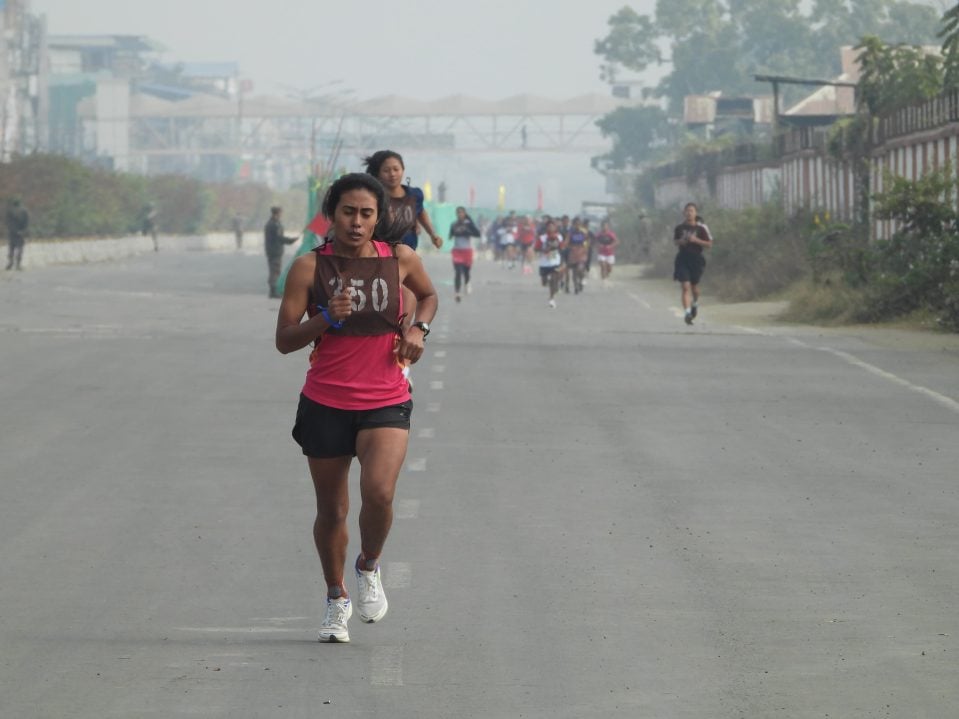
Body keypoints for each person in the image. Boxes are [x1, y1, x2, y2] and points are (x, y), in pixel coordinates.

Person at [275, 172, 438, 643]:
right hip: (326, 401)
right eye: (348, 211)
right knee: (332, 509)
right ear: (333, 213)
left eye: (367, 213)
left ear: (378, 217)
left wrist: (418, 330)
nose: (357, 222)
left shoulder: (399, 258)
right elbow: (284, 340)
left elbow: (428, 296)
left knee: (379, 492)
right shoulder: (309, 268)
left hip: (385, 398)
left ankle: (368, 565)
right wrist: (327, 317)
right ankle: (336, 597)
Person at [363, 150, 442, 252]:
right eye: (386, 171)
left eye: (396, 169)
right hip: (383, 253)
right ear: (377, 174)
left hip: (410, 250)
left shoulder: (415, 194)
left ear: (403, 170)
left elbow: (420, 212)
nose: (392, 174)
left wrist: (432, 234)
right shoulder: (374, 198)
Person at [673, 202, 714, 325]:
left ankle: (695, 303)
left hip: (696, 260)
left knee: (694, 288)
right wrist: (681, 241)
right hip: (682, 260)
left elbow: (709, 244)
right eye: (687, 210)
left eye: (691, 210)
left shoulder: (701, 228)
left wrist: (696, 240)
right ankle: (687, 313)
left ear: (696, 213)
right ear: (683, 213)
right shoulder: (679, 228)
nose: (689, 213)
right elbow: (675, 241)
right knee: (685, 287)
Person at [265, 206, 299, 298]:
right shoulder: (274, 224)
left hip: (272, 251)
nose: (281, 215)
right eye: (280, 213)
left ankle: (273, 291)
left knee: (274, 270)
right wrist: (291, 240)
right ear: (277, 213)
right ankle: (273, 291)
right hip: (275, 251)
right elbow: (279, 237)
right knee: (275, 271)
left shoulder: (271, 223)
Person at [449, 206, 481, 302]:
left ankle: (467, 283)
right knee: (458, 272)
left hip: (467, 251)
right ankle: (457, 293)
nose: (460, 214)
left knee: (466, 272)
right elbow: (450, 235)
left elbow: (478, 234)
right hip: (457, 251)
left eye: (462, 213)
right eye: (458, 213)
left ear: (465, 214)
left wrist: (468, 229)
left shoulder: (469, 224)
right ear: (456, 214)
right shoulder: (454, 224)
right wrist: (455, 233)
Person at [536, 220, 564, 308]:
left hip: (555, 261)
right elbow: (536, 248)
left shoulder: (559, 237)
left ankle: (551, 298)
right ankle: (551, 285)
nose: (551, 228)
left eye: (553, 226)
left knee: (553, 279)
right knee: (544, 283)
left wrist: (556, 248)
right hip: (544, 262)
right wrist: (545, 250)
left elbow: (562, 247)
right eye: (549, 226)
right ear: (546, 227)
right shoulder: (542, 238)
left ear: (555, 228)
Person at [5, 198, 29, 271]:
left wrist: (12, 230)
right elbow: (26, 222)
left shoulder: (10, 211)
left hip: (12, 233)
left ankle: (10, 263)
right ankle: (18, 264)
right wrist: (23, 231)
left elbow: (8, 222)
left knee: (11, 248)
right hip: (20, 233)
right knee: (20, 248)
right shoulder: (24, 211)